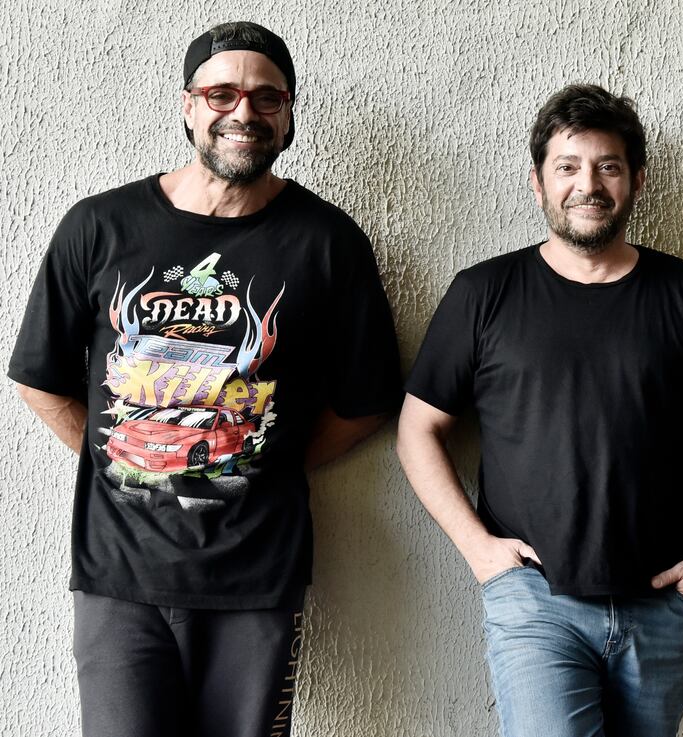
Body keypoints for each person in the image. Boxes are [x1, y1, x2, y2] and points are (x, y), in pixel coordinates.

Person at [9, 21, 402, 737]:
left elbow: (367, 400)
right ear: (189, 106)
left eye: (265, 96)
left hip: (258, 577)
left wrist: (258, 460)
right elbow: (40, 377)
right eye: (221, 93)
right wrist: (123, 455)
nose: (243, 112)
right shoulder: (99, 226)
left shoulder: (327, 243)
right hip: (118, 577)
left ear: (288, 112)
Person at [397, 84, 683, 737]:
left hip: (665, 603)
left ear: (637, 181)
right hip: (536, 601)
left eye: (608, 166)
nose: (587, 184)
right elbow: (418, 430)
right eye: (567, 166)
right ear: (537, 181)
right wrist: (478, 549)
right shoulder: (485, 293)